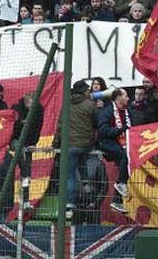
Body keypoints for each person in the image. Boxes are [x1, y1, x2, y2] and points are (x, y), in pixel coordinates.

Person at [57, 80, 98, 217]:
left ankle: (68, 205)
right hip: (86, 144)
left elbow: (60, 126)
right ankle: (86, 182)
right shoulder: (90, 105)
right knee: (83, 158)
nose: (89, 91)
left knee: (69, 176)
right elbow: (97, 122)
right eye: (87, 89)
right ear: (83, 91)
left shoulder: (66, 106)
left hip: (69, 145)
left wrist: (55, 143)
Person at [97, 88, 131, 213]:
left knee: (126, 162)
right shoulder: (107, 111)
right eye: (126, 96)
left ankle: (117, 201)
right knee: (124, 156)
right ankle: (120, 186)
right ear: (119, 98)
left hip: (121, 142)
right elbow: (103, 130)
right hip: (106, 142)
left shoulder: (127, 111)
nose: (128, 98)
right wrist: (120, 130)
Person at [10, 91, 44, 209]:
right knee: (19, 149)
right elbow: (11, 127)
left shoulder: (39, 110)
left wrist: (33, 144)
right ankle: (24, 174)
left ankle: (25, 200)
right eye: (29, 101)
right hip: (14, 139)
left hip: (28, 142)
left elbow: (38, 128)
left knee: (28, 165)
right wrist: (21, 123)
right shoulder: (16, 108)